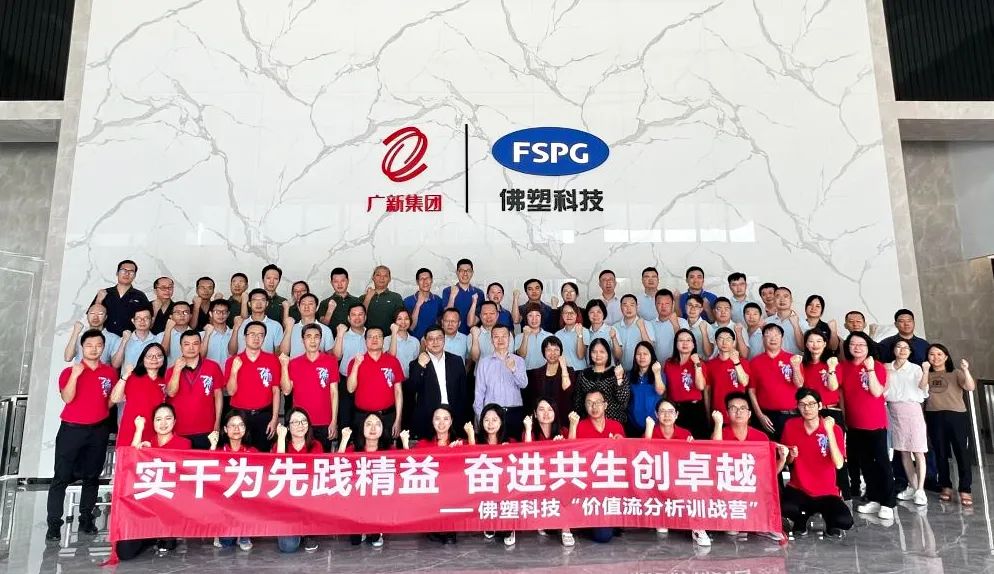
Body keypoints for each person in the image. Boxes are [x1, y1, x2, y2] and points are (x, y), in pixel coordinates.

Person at [46, 330, 116, 541]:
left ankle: (86, 518)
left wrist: (100, 413)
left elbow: (109, 400)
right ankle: (54, 524)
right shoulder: (69, 371)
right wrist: (76, 375)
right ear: (82, 348)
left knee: (92, 476)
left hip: (98, 430)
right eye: (89, 345)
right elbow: (67, 398)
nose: (94, 349)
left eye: (98, 345)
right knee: (61, 477)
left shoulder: (110, 373)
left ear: (103, 348)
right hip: (72, 430)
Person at [114, 405, 192, 560]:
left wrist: (154, 453)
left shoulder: (184, 444)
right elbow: (130, 461)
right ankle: (150, 537)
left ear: (174, 421)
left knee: (168, 543)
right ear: (153, 423)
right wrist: (139, 430)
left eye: (168, 418)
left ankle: (162, 535)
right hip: (145, 508)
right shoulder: (147, 444)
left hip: (170, 506)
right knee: (124, 552)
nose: (163, 423)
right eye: (158, 419)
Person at [779, 389, 854, 538]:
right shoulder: (791, 426)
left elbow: (839, 464)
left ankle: (830, 521)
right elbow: (788, 462)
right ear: (798, 407)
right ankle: (801, 519)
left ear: (819, 405)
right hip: (799, 489)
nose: (807, 408)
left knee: (844, 521)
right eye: (802, 404)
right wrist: (790, 456)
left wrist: (829, 431)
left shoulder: (834, 429)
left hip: (827, 492)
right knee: (785, 507)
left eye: (811, 404)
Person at [837, 332, 895, 520]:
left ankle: (888, 502)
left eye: (861, 344)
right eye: (853, 344)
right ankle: (874, 498)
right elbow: (842, 395)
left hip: (875, 423)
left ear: (868, 346)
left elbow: (877, 391)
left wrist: (869, 369)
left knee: (882, 463)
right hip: (854, 423)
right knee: (866, 464)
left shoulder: (876, 366)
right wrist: (845, 418)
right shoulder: (843, 367)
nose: (857, 347)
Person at [336, 414, 406, 548]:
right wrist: (344, 440)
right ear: (362, 428)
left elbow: (405, 471)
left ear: (383, 428)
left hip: (381, 497)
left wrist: (406, 444)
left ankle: (377, 528)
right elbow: (337, 465)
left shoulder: (390, 450)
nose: (373, 428)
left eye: (377, 424)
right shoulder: (354, 449)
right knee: (355, 541)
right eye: (368, 424)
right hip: (357, 498)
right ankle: (360, 526)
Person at [566, 390, 624, 544]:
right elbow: (570, 454)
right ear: (585, 406)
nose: (594, 406)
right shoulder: (580, 426)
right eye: (589, 403)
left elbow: (626, 458)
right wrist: (572, 427)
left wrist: (621, 443)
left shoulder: (616, 426)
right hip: (587, 487)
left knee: (605, 535)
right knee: (602, 535)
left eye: (598, 402)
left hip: (610, 487)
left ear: (605, 405)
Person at [798, 329, 849, 498]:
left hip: (831, 412)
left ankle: (844, 495)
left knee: (837, 454)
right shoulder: (803, 365)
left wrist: (831, 368)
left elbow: (833, 387)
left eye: (819, 341)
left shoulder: (832, 363)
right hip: (809, 413)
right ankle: (817, 493)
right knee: (815, 454)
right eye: (811, 341)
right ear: (806, 344)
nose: (815, 345)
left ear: (825, 344)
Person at [924, 344, 976, 507]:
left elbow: (970, 387)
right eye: (932, 354)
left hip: (957, 416)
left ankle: (965, 488)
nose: (935, 357)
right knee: (939, 452)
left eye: (939, 354)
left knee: (961, 452)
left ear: (946, 357)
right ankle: (945, 485)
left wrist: (966, 370)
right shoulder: (926, 374)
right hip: (934, 416)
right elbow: (920, 390)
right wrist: (925, 371)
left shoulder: (956, 373)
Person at [279, 324, 340, 450]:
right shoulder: (294, 363)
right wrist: (284, 366)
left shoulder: (330, 361)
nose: (313, 340)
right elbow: (286, 390)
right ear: (303, 340)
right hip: (300, 422)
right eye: (308, 336)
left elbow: (334, 392)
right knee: (301, 458)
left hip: (324, 421)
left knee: (322, 458)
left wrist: (334, 421)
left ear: (321, 339)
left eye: (316, 336)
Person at [522, 400, 574, 546]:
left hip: (558, 477)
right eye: (541, 409)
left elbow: (575, 453)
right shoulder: (530, 432)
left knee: (564, 482)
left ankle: (566, 527)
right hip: (538, 477)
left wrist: (562, 445)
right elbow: (526, 457)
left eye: (550, 409)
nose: (546, 413)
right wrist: (528, 430)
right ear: (535, 414)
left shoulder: (563, 431)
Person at [225, 321, 281, 452]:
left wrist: (274, 418)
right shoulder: (233, 361)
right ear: (245, 337)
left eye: (261, 335)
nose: (256, 338)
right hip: (240, 416)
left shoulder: (272, 360)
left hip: (264, 415)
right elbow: (231, 391)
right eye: (252, 334)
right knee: (240, 453)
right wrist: (234, 371)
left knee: (263, 454)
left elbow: (276, 391)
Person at [272, 407, 323, 553]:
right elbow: (278, 470)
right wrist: (281, 439)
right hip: (287, 503)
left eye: (304, 421)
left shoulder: (316, 445)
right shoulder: (280, 445)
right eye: (295, 422)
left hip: (309, 500)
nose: (300, 425)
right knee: (288, 547)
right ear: (288, 426)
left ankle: (308, 533)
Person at [885, 339, 929, 506]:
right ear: (893, 350)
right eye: (899, 347)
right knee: (903, 451)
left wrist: (926, 371)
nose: (902, 350)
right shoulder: (886, 367)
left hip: (912, 410)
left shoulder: (915, 368)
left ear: (910, 352)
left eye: (906, 348)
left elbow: (923, 388)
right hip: (893, 410)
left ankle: (921, 489)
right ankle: (912, 485)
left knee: (918, 450)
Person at [164, 331, 223, 449]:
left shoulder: (213, 366)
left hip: (206, 428)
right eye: (186, 344)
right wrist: (177, 370)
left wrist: (217, 422)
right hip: (179, 429)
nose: (191, 348)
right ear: (181, 347)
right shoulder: (172, 370)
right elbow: (171, 392)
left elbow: (218, 396)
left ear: (200, 345)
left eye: (195, 344)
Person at [408, 326, 469, 439]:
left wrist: (463, 417)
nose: (435, 342)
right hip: (428, 417)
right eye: (431, 339)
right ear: (425, 342)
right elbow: (411, 389)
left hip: (454, 416)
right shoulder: (416, 364)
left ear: (444, 340)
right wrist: (420, 366)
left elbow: (463, 392)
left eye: (439, 338)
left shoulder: (456, 361)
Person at [346, 327, 405, 442]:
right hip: (362, 417)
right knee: (362, 449)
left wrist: (398, 419)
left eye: (378, 336)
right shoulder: (355, 361)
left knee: (387, 449)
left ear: (383, 340)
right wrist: (356, 365)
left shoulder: (393, 361)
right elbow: (350, 389)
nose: (374, 339)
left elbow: (398, 392)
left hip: (387, 416)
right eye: (371, 337)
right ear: (365, 341)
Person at [747, 324, 803, 440]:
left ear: (782, 338)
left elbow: (799, 384)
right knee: (769, 448)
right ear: (763, 338)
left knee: (791, 448)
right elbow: (751, 391)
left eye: (777, 335)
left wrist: (795, 367)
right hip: (766, 416)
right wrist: (759, 415)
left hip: (791, 415)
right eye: (768, 335)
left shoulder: (793, 359)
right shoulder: (755, 362)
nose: (773, 338)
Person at [473, 324, 528, 439]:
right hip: (492, 414)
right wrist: (480, 418)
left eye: (504, 336)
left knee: (514, 445)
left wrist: (514, 369)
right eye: (496, 337)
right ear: (491, 340)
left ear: (510, 338)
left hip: (514, 411)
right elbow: (479, 393)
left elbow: (523, 384)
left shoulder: (518, 360)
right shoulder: (484, 363)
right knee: (494, 447)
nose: (500, 340)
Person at [213, 410, 256, 551]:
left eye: (241, 425)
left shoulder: (253, 452)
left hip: (246, 504)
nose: (237, 429)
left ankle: (244, 533)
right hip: (224, 505)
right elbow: (209, 478)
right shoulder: (219, 451)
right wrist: (212, 447)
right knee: (226, 543)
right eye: (232, 425)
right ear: (225, 429)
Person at [111, 344, 167, 447]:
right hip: (131, 428)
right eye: (149, 356)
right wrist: (125, 376)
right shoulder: (132, 377)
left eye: (159, 356)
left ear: (164, 359)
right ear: (143, 358)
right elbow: (115, 398)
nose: (154, 359)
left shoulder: (165, 380)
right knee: (128, 456)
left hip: (155, 431)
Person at [573, 338, 631, 426]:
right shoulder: (584, 374)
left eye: (602, 352)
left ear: (608, 353)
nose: (598, 355)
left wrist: (619, 378)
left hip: (614, 422)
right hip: (589, 423)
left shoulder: (617, 372)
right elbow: (578, 401)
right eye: (594, 352)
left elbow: (623, 399)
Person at [662, 329, 708, 438]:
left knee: (698, 442)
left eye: (688, 340)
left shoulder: (700, 363)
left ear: (693, 345)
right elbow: (666, 389)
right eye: (681, 340)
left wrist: (697, 365)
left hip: (694, 409)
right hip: (675, 410)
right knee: (677, 442)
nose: (685, 343)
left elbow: (701, 386)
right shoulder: (669, 363)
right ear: (676, 344)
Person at [704, 327, 751, 424]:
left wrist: (736, 362)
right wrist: (708, 413)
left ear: (733, 342)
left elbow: (744, 382)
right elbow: (707, 391)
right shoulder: (709, 365)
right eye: (721, 339)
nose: (724, 342)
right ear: (716, 342)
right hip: (718, 414)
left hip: (739, 414)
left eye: (728, 339)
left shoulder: (743, 363)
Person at [333, 304, 367, 433]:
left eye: (360, 314)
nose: (357, 318)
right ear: (348, 318)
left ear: (365, 316)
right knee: (345, 417)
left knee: (363, 418)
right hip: (345, 379)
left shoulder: (371, 335)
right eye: (353, 315)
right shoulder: (343, 335)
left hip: (366, 381)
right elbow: (336, 356)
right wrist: (340, 335)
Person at [524, 337, 575, 424]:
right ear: (543, 352)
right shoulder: (536, 373)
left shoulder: (569, 370)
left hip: (562, 417)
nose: (552, 353)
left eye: (556, 350)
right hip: (542, 418)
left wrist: (563, 367)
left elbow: (568, 391)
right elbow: (533, 399)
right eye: (549, 350)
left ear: (561, 352)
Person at [94, 259, 150, 336]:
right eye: (124, 270)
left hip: (131, 338)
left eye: (131, 271)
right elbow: (92, 317)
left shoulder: (140, 296)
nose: (127, 273)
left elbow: (148, 320)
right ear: (117, 273)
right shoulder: (104, 293)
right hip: (105, 338)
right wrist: (98, 301)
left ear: (134, 275)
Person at [626, 342, 665, 437]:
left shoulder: (659, 375)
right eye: (639, 354)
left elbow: (660, 391)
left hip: (654, 425)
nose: (642, 357)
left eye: (645, 354)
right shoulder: (629, 375)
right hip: (632, 424)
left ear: (652, 356)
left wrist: (656, 373)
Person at [230, 288, 285, 354]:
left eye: (262, 300)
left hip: (266, 360)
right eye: (255, 300)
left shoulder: (276, 326)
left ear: (267, 303)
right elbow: (232, 352)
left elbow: (278, 353)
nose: (258, 303)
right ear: (249, 304)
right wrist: (235, 329)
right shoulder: (240, 323)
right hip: (242, 360)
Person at [282, 293, 334, 359]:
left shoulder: (325, 330)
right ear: (299, 307)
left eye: (310, 304)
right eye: (303, 304)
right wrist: (289, 329)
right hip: (294, 365)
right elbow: (283, 353)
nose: (306, 307)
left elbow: (330, 356)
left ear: (316, 307)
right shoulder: (291, 328)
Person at [440, 259, 486, 334]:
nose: (465, 273)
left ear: (472, 273)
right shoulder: (447, 291)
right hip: (453, 336)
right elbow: (446, 315)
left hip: (472, 336)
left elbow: (479, 319)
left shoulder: (479, 293)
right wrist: (452, 296)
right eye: (461, 270)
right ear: (457, 272)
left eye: (468, 271)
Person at [612, 295, 652, 370]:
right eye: (625, 305)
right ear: (620, 307)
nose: (628, 308)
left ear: (637, 307)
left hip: (641, 370)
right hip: (621, 371)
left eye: (632, 305)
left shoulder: (647, 324)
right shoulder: (615, 327)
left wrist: (642, 328)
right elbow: (615, 354)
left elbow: (650, 348)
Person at [363, 265, 406, 335]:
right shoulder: (363, 297)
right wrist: (368, 298)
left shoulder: (396, 297)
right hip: (368, 338)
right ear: (373, 278)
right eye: (378, 275)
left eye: (385, 276)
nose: (381, 278)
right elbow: (359, 317)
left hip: (390, 338)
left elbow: (401, 320)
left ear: (389, 279)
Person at [112, 305, 158, 371]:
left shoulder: (158, 340)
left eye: (146, 318)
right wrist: (124, 342)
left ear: (152, 320)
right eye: (138, 318)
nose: (142, 321)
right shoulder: (122, 340)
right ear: (133, 321)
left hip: (151, 377)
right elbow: (115, 365)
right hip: (128, 377)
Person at [317, 267, 363, 332]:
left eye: (343, 281)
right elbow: (322, 327)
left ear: (348, 281)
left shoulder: (357, 301)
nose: (339, 284)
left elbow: (363, 322)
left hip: (354, 337)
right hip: (332, 338)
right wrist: (330, 310)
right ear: (331, 283)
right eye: (336, 281)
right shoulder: (324, 303)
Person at [649, 289, 689, 362]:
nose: (663, 306)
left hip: (676, 365)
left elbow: (685, 344)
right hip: (656, 366)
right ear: (655, 304)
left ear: (673, 304)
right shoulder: (650, 324)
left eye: (667, 303)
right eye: (660, 303)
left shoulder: (682, 322)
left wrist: (675, 325)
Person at [406, 268, 445, 339]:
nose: (425, 281)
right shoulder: (408, 301)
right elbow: (410, 327)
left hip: (433, 342)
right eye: (422, 279)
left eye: (427, 278)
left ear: (431, 280)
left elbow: (441, 322)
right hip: (415, 342)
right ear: (417, 282)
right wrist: (418, 305)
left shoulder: (438, 300)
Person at [764, 287, 804, 354]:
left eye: (785, 296)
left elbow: (803, 347)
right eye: (778, 296)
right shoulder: (767, 322)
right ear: (774, 300)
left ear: (791, 300)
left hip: (794, 360)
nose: (782, 300)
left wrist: (796, 326)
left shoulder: (801, 322)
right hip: (772, 360)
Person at [515, 304, 553, 370]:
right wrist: (525, 336)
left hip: (545, 373)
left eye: (537, 315)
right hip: (526, 373)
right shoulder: (518, 337)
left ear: (541, 317)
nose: (534, 319)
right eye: (530, 315)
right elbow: (521, 356)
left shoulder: (549, 336)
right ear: (526, 318)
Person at [554, 301, 589, 370]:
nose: (569, 315)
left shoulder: (584, 331)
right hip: (564, 372)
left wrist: (579, 335)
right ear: (562, 315)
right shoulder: (557, 334)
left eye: (572, 313)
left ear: (576, 315)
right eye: (566, 313)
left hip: (579, 371)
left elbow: (581, 356)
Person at [385, 309, 420, 377]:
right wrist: (394, 332)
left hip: (411, 379)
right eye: (399, 319)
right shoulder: (387, 340)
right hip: (394, 380)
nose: (403, 322)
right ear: (394, 322)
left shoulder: (415, 341)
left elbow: (417, 364)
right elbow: (390, 357)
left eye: (406, 319)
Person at [200, 299, 233, 367]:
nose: (221, 314)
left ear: (228, 314)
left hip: (230, 372)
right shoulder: (202, 335)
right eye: (217, 312)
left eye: (224, 312)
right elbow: (200, 357)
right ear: (210, 314)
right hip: (209, 372)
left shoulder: (234, 334)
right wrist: (207, 335)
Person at [159, 301, 194, 365]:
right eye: (178, 312)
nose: (182, 315)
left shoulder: (198, 336)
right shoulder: (161, 335)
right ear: (171, 316)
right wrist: (168, 330)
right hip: (169, 371)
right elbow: (162, 354)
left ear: (190, 316)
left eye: (186, 312)